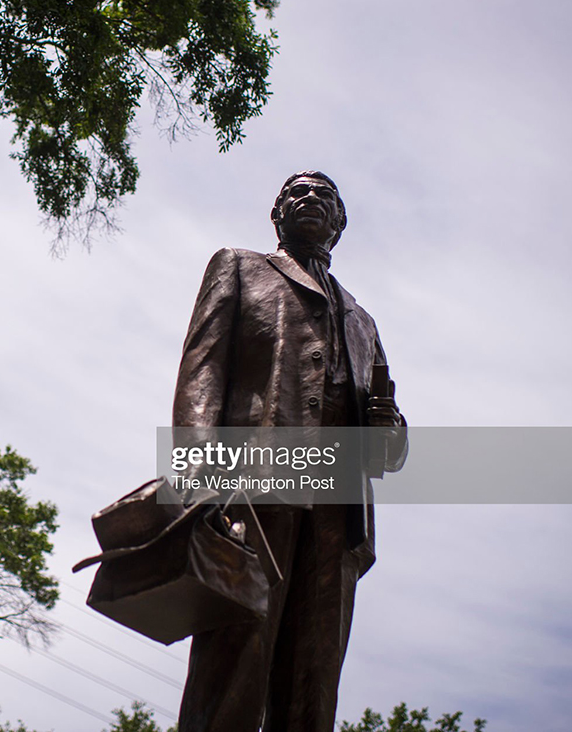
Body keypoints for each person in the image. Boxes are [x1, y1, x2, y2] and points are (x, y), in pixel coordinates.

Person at [173, 171, 405, 732]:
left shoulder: (363, 321)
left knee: (313, 682)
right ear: (276, 214)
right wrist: (197, 484)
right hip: (253, 490)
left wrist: (388, 426)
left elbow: (388, 453)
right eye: (296, 194)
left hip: (339, 513)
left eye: (324, 196)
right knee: (235, 660)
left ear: (340, 224)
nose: (309, 201)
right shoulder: (240, 267)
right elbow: (199, 377)